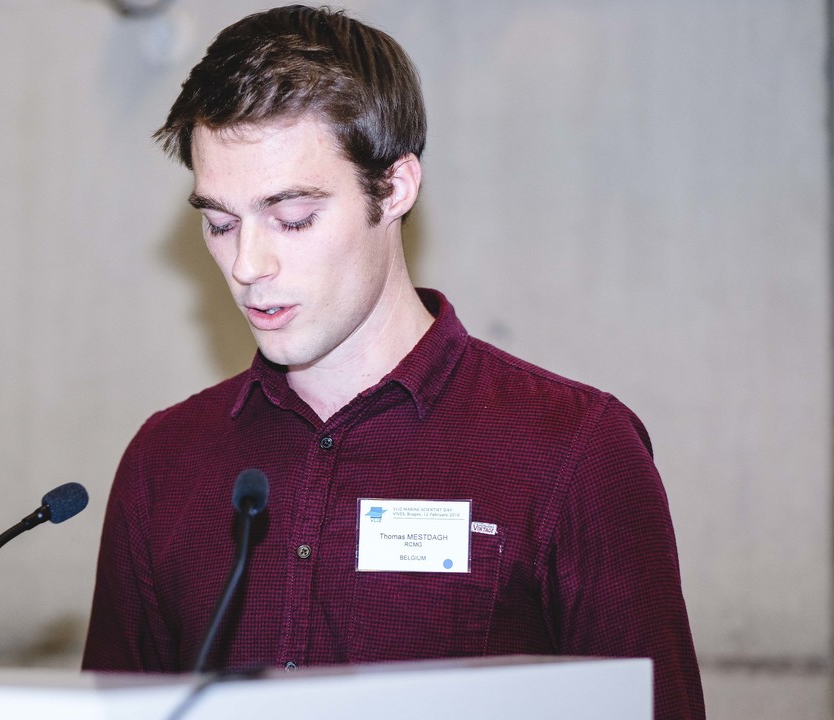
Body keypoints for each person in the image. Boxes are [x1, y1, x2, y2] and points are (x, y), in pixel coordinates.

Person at [82, 5, 704, 718]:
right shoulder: (166, 461)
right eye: (220, 223)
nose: (247, 265)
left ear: (396, 187)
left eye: (293, 218)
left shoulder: (575, 450)